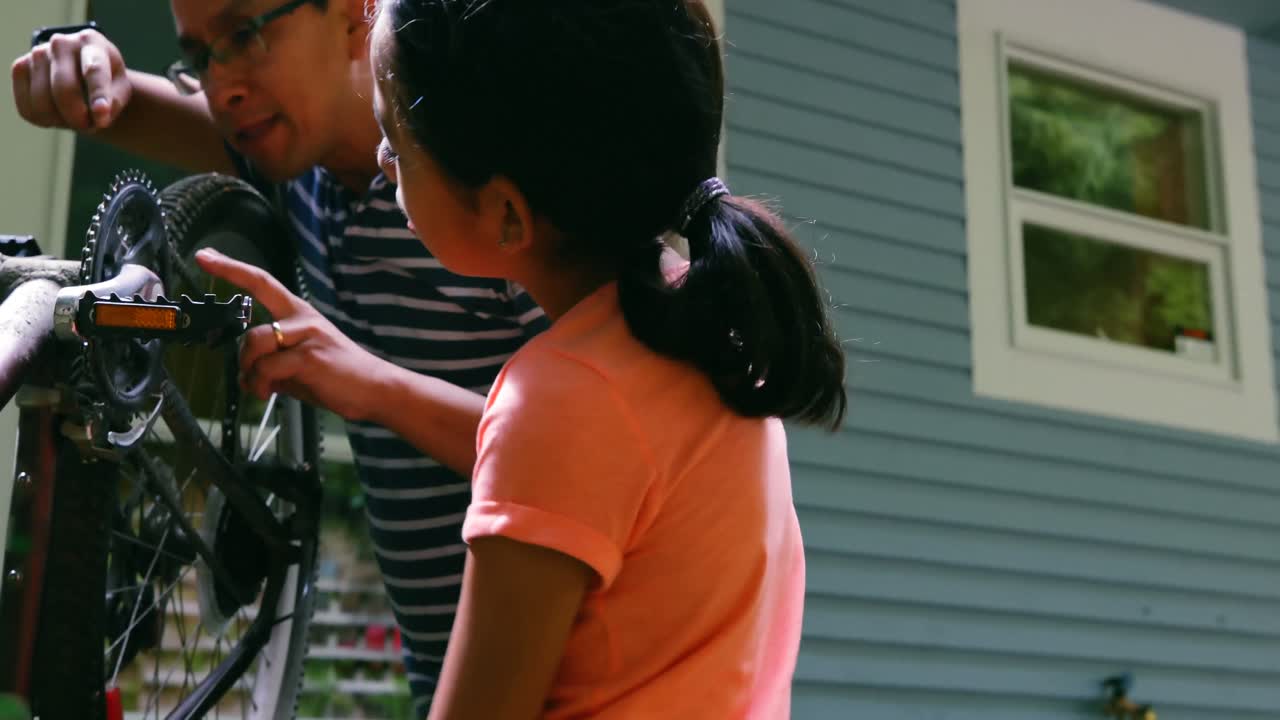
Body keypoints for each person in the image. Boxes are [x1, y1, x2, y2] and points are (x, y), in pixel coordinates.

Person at [194, 0, 849, 717]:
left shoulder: (556, 402)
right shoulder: (709, 333)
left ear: (506, 214)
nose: (382, 165)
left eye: (397, 140)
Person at [10, 0, 546, 712]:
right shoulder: (298, 164)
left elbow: (611, 452)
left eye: (245, 34)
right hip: (443, 672)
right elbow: (122, 100)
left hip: (606, 672)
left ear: (358, 11)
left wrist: (372, 387)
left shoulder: (500, 183)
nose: (222, 87)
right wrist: (83, 66)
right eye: (201, 59)